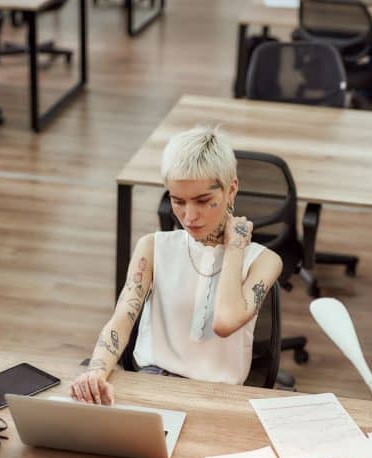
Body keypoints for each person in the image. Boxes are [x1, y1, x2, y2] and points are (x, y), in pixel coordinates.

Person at [69, 126, 283, 405]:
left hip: (219, 397)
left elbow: (224, 322)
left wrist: (234, 249)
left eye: (203, 201)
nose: (189, 216)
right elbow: (122, 319)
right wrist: (96, 372)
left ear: (231, 190)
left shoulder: (264, 261)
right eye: (177, 201)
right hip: (151, 383)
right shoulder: (153, 247)